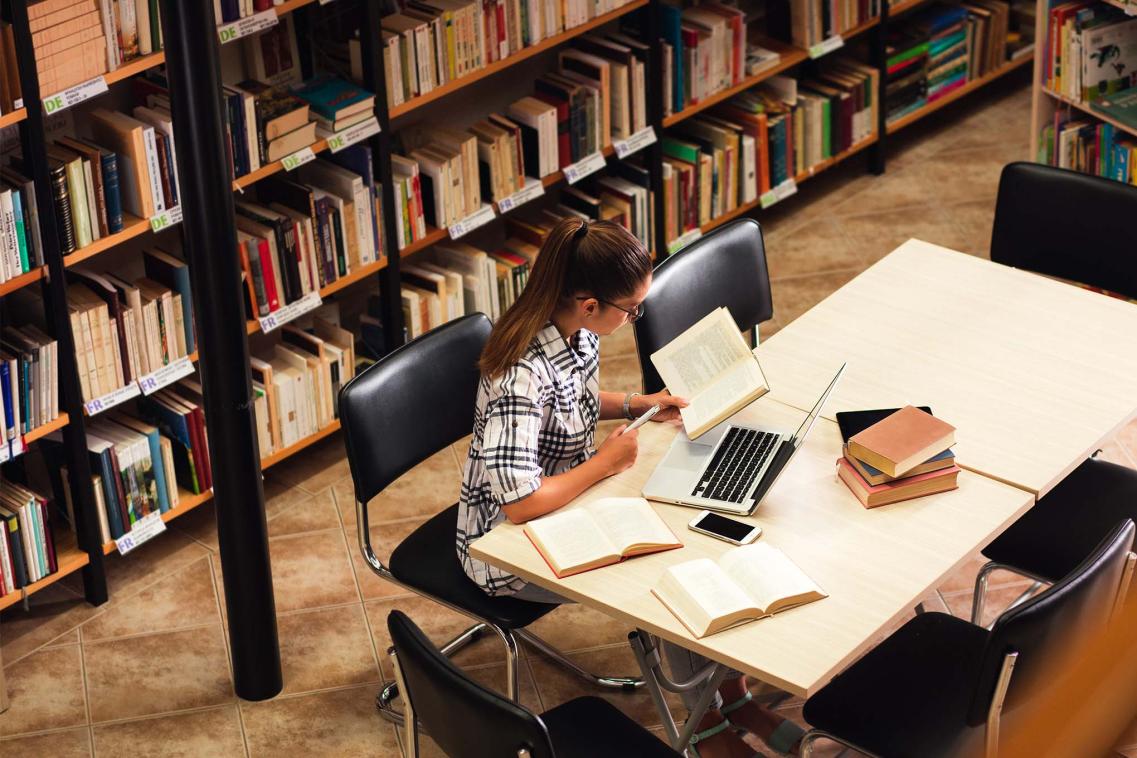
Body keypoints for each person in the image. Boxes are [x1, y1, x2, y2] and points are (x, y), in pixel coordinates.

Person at [455, 217, 804, 758]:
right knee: (666, 572)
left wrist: (635, 405)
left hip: (572, 499)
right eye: (631, 309)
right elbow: (520, 505)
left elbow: (572, 403)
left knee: (702, 538)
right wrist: (604, 464)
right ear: (590, 304)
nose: (635, 316)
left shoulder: (576, 329)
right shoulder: (517, 376)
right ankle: (707, 729)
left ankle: (731, 697)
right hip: (505, 549)